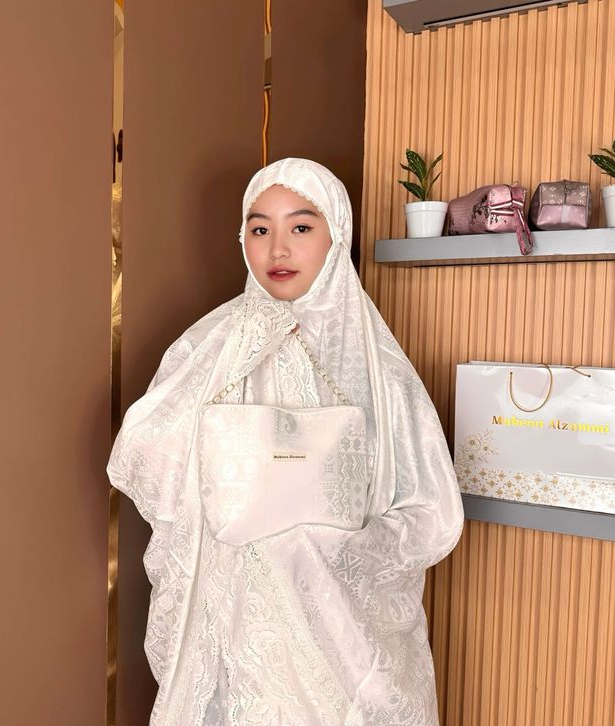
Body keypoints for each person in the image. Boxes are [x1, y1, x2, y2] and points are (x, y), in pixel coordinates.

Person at [107, 158, 464, 725]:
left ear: (336, 235)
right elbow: (144, 452)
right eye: (259, 228)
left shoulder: (378, 368)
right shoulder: (214, 344)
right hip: (241, 626)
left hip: (345, 637)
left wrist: (339, 550)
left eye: (301, 226)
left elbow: (433, 510)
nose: (278, 249)